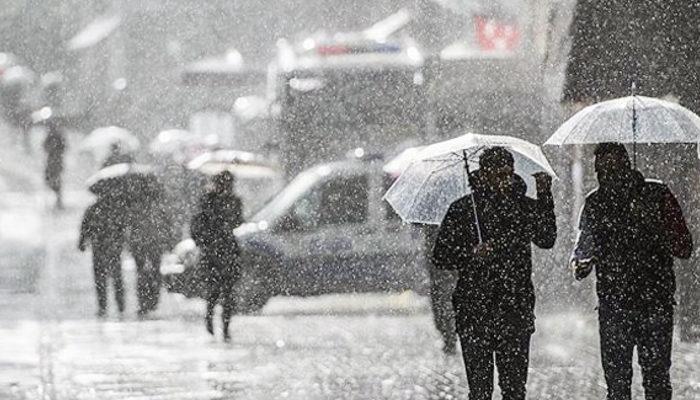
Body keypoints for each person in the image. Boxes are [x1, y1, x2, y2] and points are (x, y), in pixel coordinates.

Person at [432, 147, 556, 400]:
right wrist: (470, 253)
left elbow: (546, 238)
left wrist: (545, 196)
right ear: (483, 174)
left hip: (515, 307)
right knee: (480, 390)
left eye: (508, 174)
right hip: (474, 309)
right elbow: (441, 256)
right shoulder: (464, 209)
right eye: (498, 175)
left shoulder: (523, 207)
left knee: (514, 389)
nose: (504, 181)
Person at [571, 143, 692, 400]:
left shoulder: (657, 195)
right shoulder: (595, 203)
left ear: (627, 164)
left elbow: (684, 247)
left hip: (654, 303)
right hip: (615, 305)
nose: (607, 174)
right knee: (617, 386)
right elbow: (582, 251)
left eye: (613, 166)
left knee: (657, 383)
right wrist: (581, 264)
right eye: (601, 169)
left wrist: (651, 223)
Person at [190, 171, 243, 341]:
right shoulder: (208, 200)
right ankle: (210, 319)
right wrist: (205, 241)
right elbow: (198, 225)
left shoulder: (234, 201)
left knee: (228, 293)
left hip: (228, 250)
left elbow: (239, 221)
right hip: (213, 251)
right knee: (214, 291)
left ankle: (225, 327)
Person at [128, 176, 175, 316]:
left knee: (143, 273)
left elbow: (130, 225)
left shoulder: (136, 206)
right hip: (152, 243)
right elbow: (167, 225)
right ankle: (151, 300)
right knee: (153, 272)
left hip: (142, 244)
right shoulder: (158, 206)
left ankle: (145, 301)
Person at [78, 194, 127, 317]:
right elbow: (123, 228)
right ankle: (120, 305)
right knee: (116, 278)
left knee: (100, 278)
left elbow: (85, 228)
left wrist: (82, 242)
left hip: (99, 248)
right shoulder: (116, 209)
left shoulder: (93, 209)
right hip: (113, 248)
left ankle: (103, 306)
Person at [422, 224, 458, 355]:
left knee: (444, 305)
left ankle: (450, 336)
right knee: (440, 307)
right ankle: (448, 335)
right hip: (438, 274)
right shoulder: (430, 227)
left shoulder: (450, 225)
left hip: (446, 273)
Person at [43, 118, 66, 209]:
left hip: (56, 161)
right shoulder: (50, 136)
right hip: (52, 161)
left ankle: (58, 198)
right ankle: (57, 197)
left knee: (55, 180)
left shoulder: (58, 136)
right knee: (50, 179)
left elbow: (64, 147)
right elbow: (44, 146)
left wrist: (55, 149)